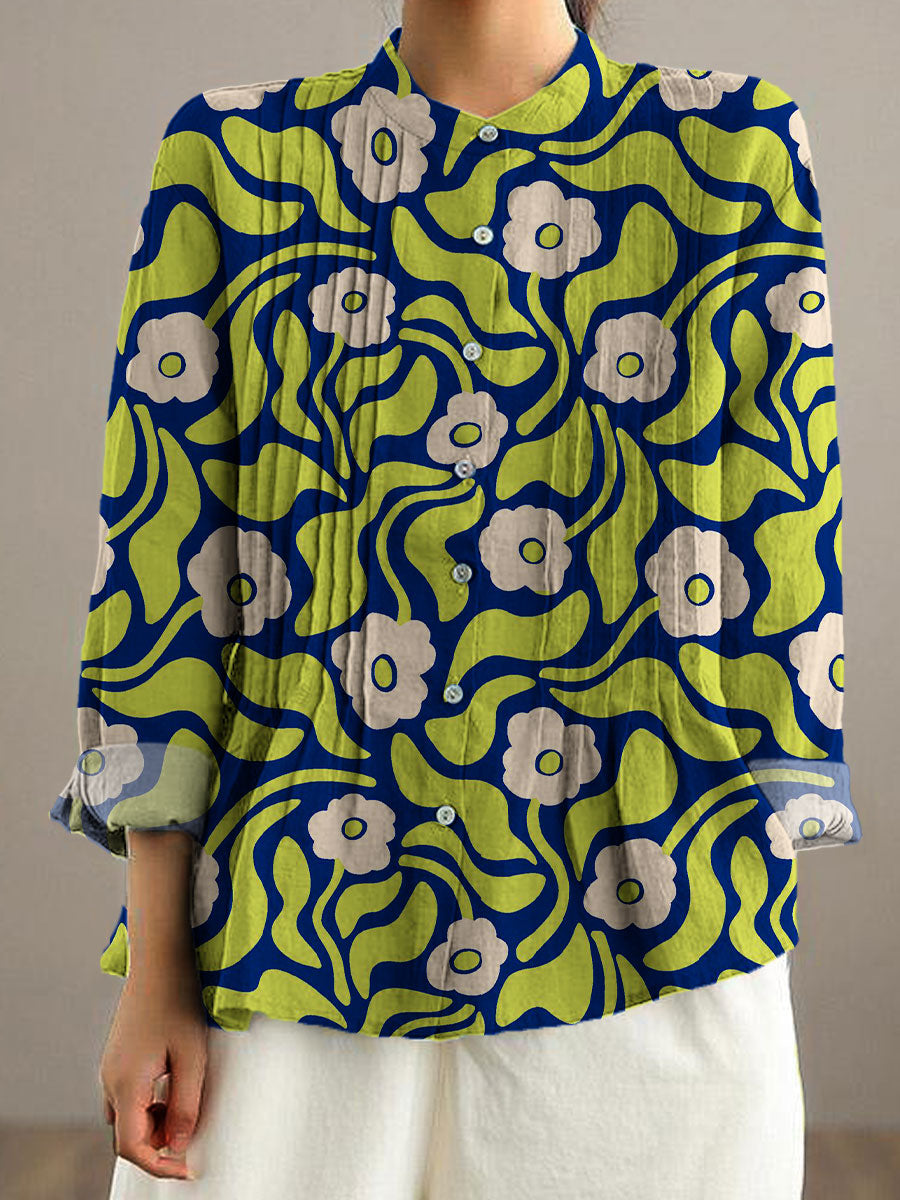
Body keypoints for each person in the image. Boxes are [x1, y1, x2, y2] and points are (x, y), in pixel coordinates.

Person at [50, 0, 861, 1196]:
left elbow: (784, 547)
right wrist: (156, 970)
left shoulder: (733, 151)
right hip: (286, 938)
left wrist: (757, 849)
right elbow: (163, 572)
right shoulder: (233, 160)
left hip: (654, 939)